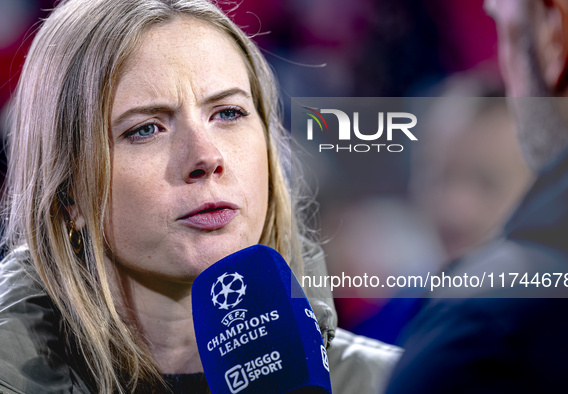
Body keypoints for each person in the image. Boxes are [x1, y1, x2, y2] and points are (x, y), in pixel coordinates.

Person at [0, 1, 401, 393]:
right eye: (146, 129)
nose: (206, 157)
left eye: (228, 113)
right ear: (69, 192)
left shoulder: (400, 382)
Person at [385, 0, 568, 392]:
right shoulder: (390, 318)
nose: (454, 207)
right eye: (439, 176)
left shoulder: (478, 333)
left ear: (556, 31)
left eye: (486, 182)